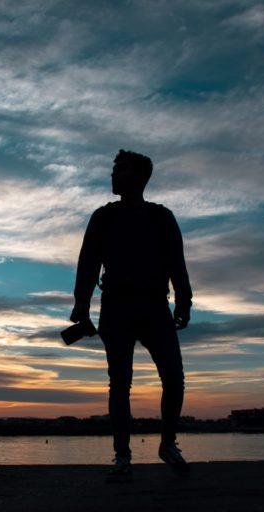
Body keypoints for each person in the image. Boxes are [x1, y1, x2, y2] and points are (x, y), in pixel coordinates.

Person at [70, 149, 192, 482]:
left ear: (139, 177)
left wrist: (185, 299)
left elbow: (176, 261)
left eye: (120, 170)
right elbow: (88, 263)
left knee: (173, 377)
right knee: (120, 383)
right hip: (116, 306)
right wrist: (81, 304)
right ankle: (122, 455)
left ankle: (168, 445)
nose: (113, 176)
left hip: (155, 305)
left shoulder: (161, 217)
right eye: (114, 170)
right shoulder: (103, 217)